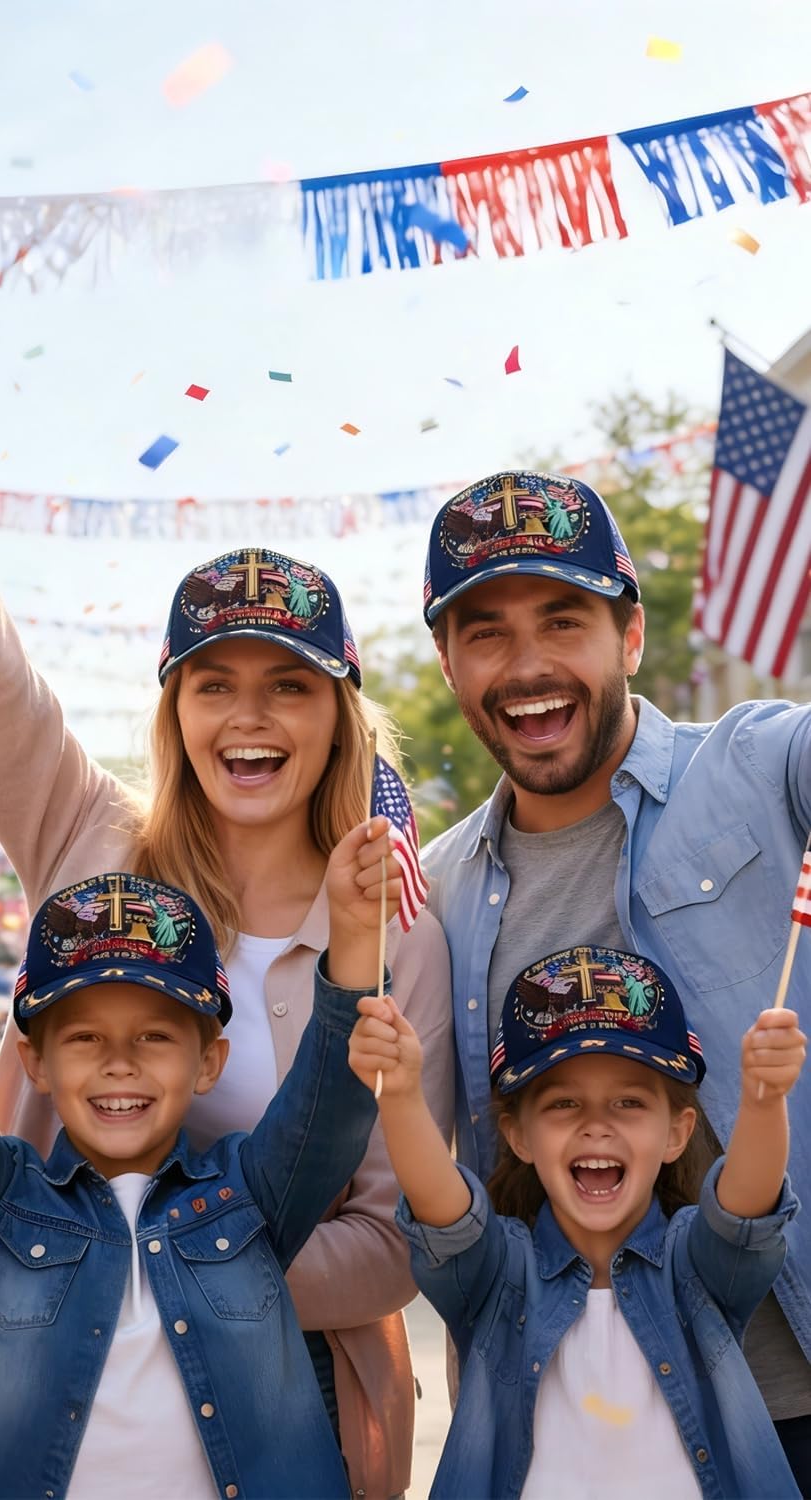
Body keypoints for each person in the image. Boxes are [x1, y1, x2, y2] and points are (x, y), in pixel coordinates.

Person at [0, 295, 455, 1498]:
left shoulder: (391, 920)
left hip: (301, 1393)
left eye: (290, 687)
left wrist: (175, 1269)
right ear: (174, 712)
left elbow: (399, 1238)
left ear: (339, 719)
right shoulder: (95, 837)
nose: (250, 717)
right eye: (213, 685)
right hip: (46, 1361)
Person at [419, 468, 811, 1479]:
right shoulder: (436, 894)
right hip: (576, 1432)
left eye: (563, 620)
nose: (528, 665)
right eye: (486, 631)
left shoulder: (762, 768)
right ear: (449, 663)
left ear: (630, 637)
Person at [0, 811, 398, 1498]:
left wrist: (357, 934)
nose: (119, 1064)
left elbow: (331, 1103)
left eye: (155, 1037)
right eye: (85, 1040)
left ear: (208, 1062)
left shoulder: (252, 1196)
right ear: (35, 1062)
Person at [348, 942, 804, 1497]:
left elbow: (746, 1209)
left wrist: (764, 1101)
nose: (596, 1125)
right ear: (518, 1135)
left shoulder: (695, 1265)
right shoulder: (500, 1275)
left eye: (629, 1103)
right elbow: (443, 1214)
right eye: (564, 1104)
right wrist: (398, 1094)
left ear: (677, 1133)